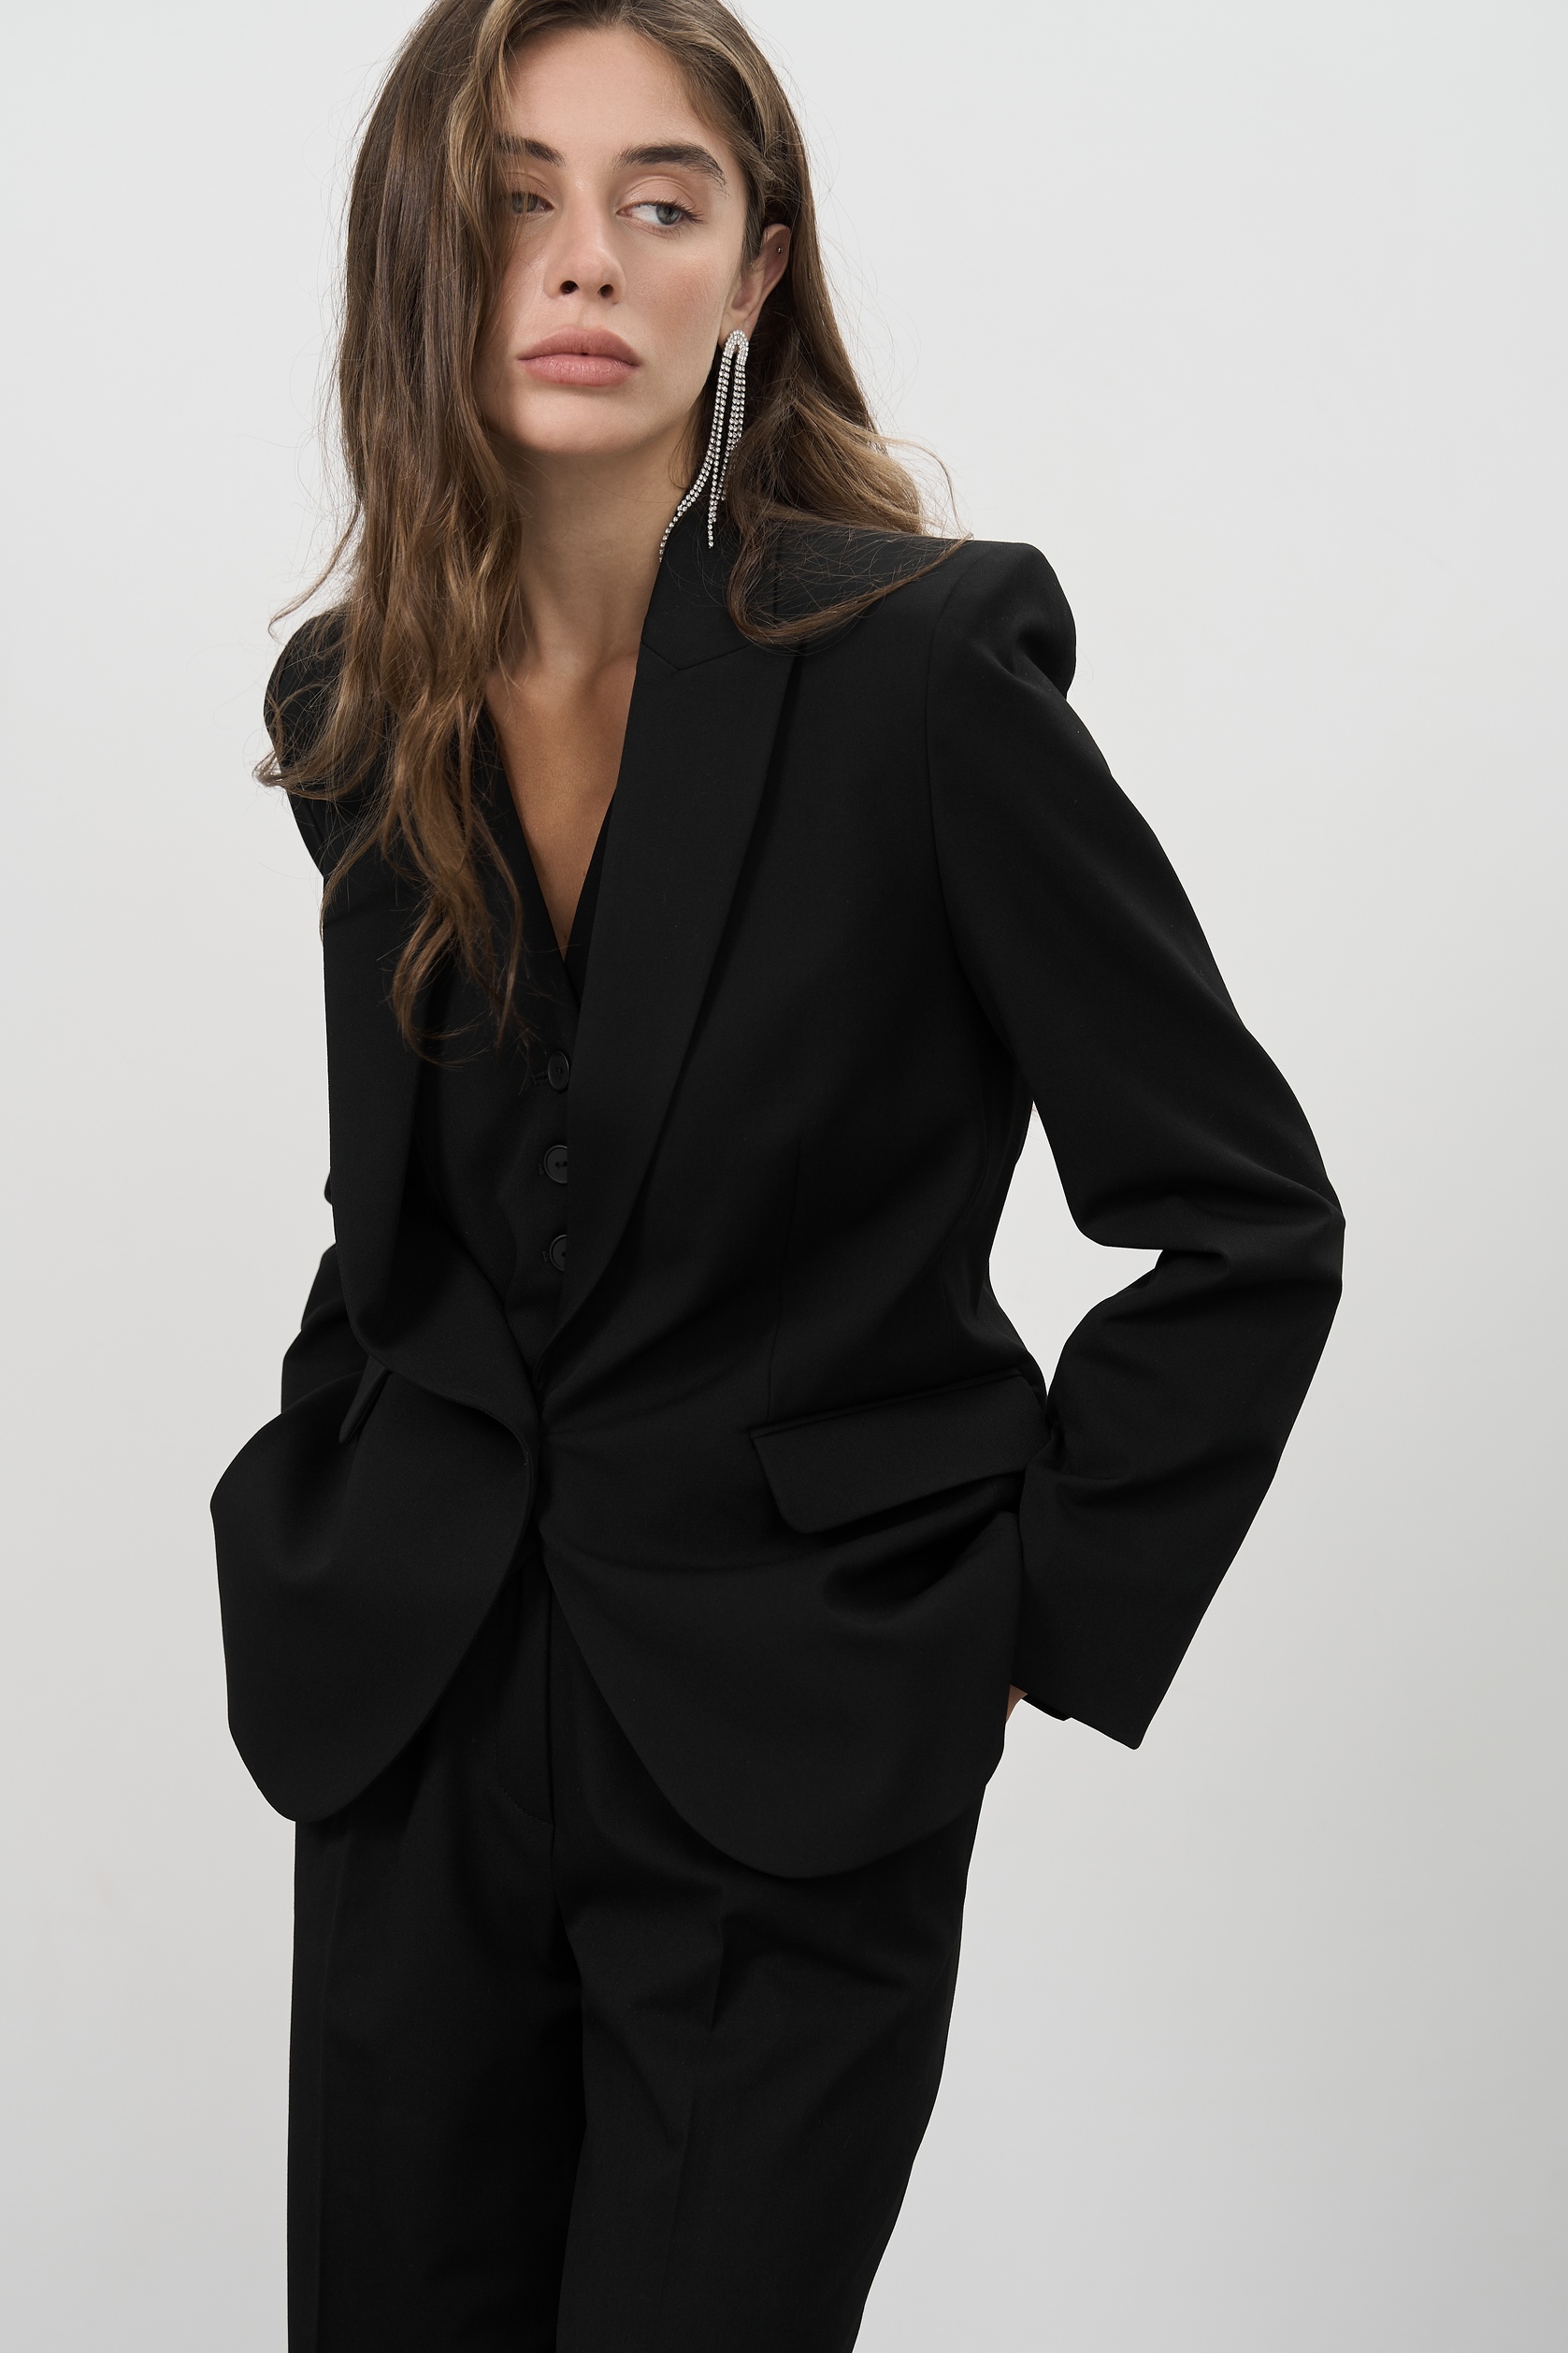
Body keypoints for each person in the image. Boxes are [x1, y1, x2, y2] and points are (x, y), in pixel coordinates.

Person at [211, 1, 1344, 2345]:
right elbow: (415, 1216)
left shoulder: (918, 674)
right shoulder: (358, 703)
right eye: (515, 199)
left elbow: (1240, 1214)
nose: (584, 259)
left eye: (660, 203)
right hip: (418, 1708)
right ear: (419, 248)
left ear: (749, 272)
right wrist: (332, 1472)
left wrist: (1009, 1619)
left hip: (791, 1743)